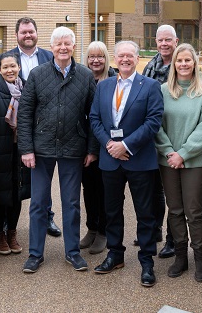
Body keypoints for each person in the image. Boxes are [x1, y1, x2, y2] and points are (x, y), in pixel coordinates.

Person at [18, 27, 98, 274]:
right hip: (41, 149)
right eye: (58, 44)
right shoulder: (37, 74)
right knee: (39, 203)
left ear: (74, 47)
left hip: (74, 147)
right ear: (51, 47)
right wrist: (26, 148)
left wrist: (92, 148)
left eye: (67, 43)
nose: (63, 48)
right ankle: (35, 253)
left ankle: (72, 252)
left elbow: (94, 115)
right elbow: (25, 113)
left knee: (71, 203)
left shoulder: (85, 76)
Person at [90, 41, 163, 288]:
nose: (125, 59)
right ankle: (115, 254)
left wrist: (126, 146)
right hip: (110, 159)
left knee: (145, 212)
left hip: (139, 159)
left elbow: (153, 122)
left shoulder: (151, 86)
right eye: (121, 55)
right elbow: (95, 119)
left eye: (129, 55)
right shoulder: (105, 86)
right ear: (115, 58)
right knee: (111, 210)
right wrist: (111, 145)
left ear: (137, 57)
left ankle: (146, 260)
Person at [0, 17, 60, 238]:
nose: (28, 35)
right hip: (15, 127)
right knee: (16, 178)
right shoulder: (7, 58)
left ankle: (47, 216)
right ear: (17, 35)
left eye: (31, 32)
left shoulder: (49, 57)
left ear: (37, 33)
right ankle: (5, 226)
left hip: (45, 125)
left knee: (44, 173)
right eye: (24, 32)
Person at [156, 44, 202, 283]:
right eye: (179, 60)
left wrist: (184, 154)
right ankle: (180, 256)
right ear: (174, 64)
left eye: (187, 60)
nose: (183, 64)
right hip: (168, 160)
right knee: (175, 210)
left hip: (195, 162)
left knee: (193, 211)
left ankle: (201, 257)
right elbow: (156, 125)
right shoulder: (162, 91)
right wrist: (171, 152)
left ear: (195, 63)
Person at [140, 24, 178, 258]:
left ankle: (174, 240)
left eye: (168, 40)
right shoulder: (150, 66)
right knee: (153, 189)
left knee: (173, 192)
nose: (164, 44)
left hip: (174, 135)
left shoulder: (182, 64)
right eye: (160, 40)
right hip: (151, 136)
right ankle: (154, 230)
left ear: (175, 41)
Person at [0, 52, 31, 256]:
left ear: (19, 68)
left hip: (20, 150)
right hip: (0, 151)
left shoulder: (26, 89)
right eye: (5, 67)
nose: (10, 70)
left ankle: (12, 232)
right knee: (0, 195)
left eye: (13, 66)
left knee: (17, 193)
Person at [80, 40, 116, 255]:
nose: (96, 60)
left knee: (105, 190)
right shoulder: (82, 79)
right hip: (85, 146)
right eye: (92, 56)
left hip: (108, 145)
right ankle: (91, 228)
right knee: (89, 189)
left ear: (106, 58)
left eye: (100, 56)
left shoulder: (113, 80)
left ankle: (104, 231)